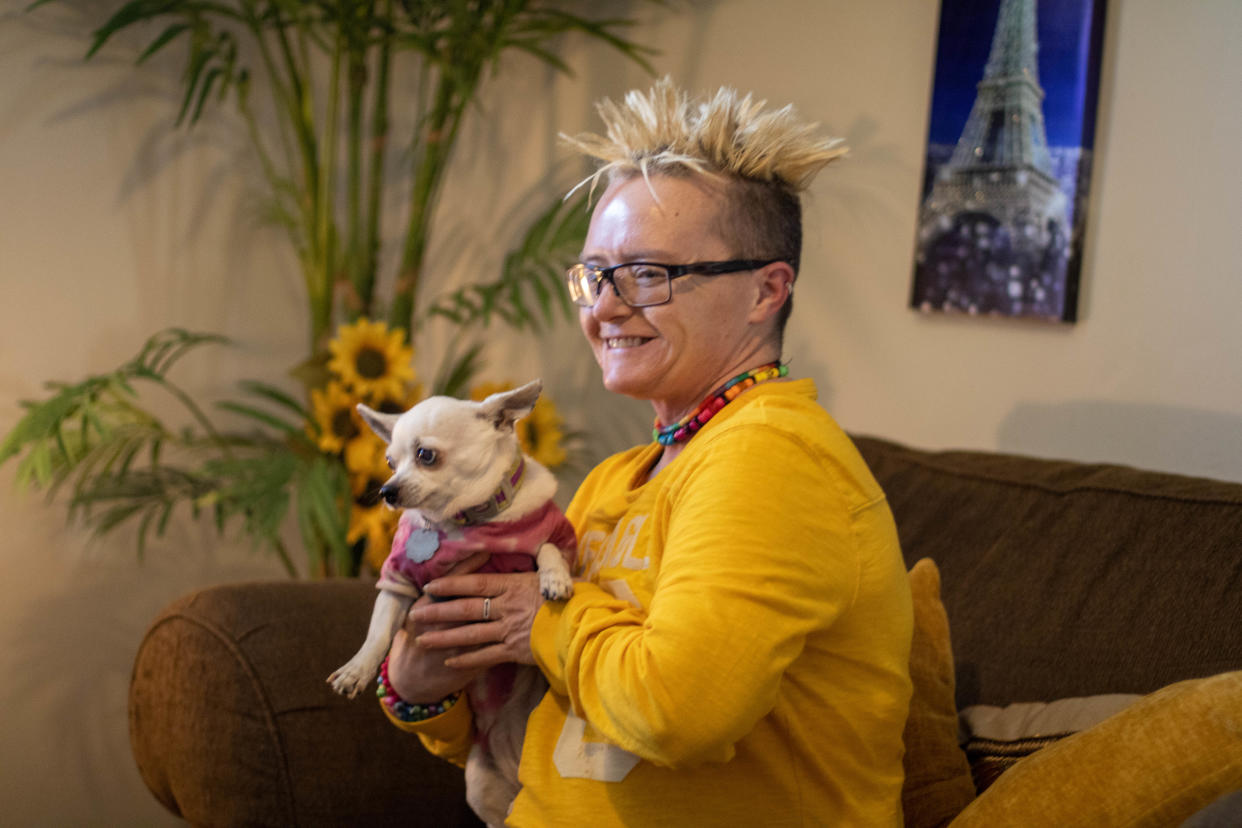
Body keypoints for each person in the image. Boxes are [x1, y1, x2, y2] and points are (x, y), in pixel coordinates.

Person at [383, 77, 913, 826]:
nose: (604, 306)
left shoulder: (771, 457)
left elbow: (674, 712)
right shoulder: (615, 481)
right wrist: (420, 681)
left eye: (648, 274)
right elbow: (517, 722)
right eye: (595, 275)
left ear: (767, 291)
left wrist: (541, 618)